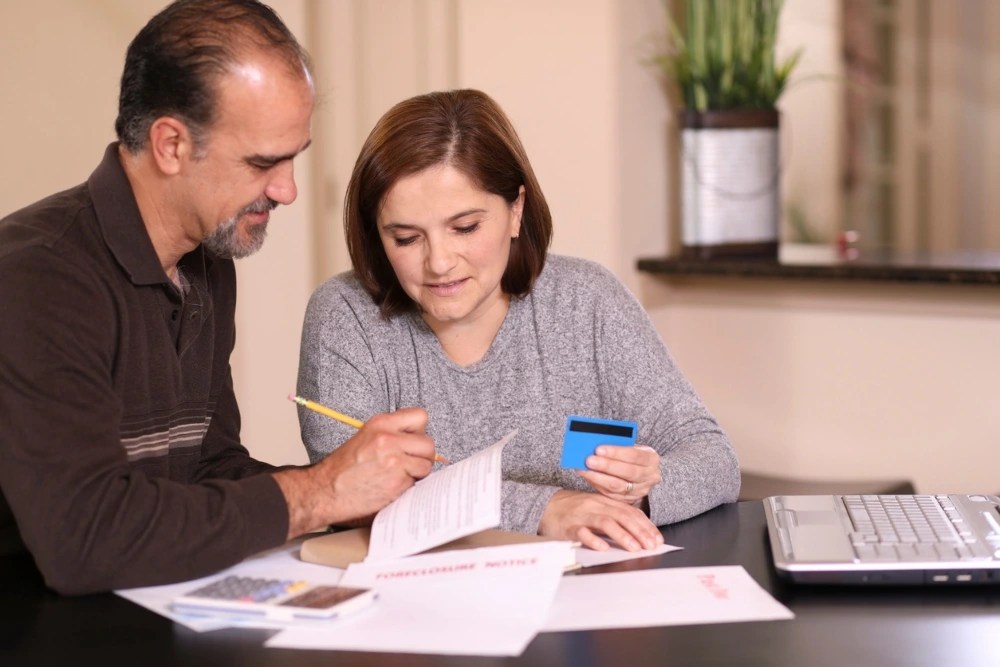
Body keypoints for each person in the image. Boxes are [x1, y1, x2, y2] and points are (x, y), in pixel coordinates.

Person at [0, 0, 438, 596]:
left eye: (292, 158)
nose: (286, 189)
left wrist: (352, 497)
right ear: (172, 145)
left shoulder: (205, 261)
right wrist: (321, 492)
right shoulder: (37, 276)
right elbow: (84, 538)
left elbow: (207, 470)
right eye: (262, 162)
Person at [296, 89, 740, 553]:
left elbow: (715, 460)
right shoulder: (343, 315)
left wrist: (647, 486)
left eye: (465, 228)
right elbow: (357, 492)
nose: (440, 262)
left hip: (586, 601)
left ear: (516, 210)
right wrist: (545, 510)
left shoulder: (587, 300)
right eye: (406, 238)